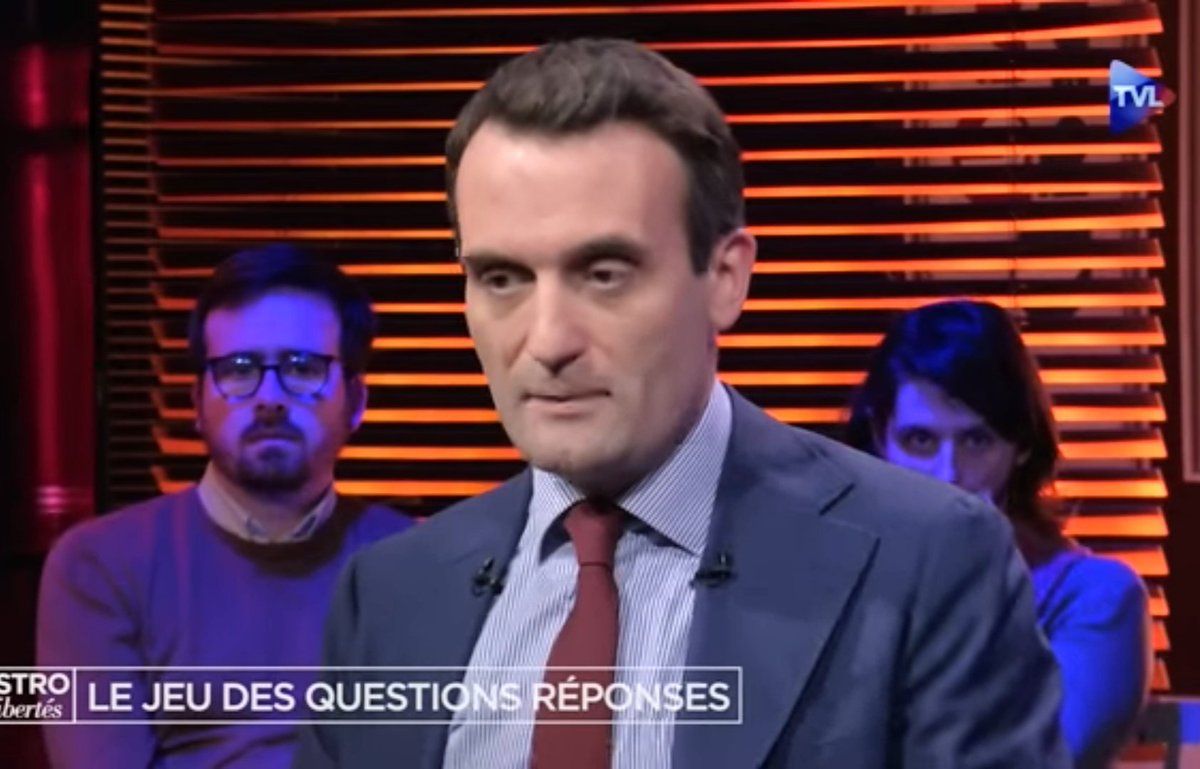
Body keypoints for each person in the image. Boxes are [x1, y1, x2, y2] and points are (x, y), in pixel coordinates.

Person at [293, 39, 1069, 769]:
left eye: (604, 273)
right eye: (502, 278)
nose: (548, 340)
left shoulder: (929, 560)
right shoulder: (388, 594)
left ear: (726, 278)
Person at [38, 244, 413, 769]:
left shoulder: (414, 565)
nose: (270, 397)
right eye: (239, 369)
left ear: (355, 401)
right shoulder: (98, 566)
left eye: (302, 367)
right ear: (196, 402)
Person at [846, 298, 1152, 768]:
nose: (948, 474)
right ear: (880, 438)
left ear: (1021, 447)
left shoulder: (1097, 596)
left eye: (977, 441)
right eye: (920, 441)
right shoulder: (842, 581)